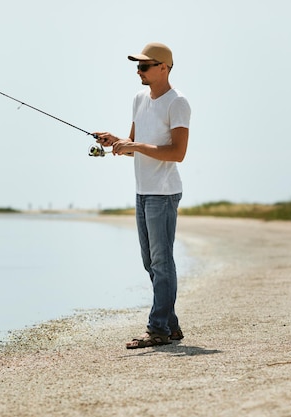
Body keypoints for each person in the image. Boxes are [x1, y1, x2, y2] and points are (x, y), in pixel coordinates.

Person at [93, 42, 191, 349]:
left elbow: (177, 153)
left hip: (163, 194)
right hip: (142, 192)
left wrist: (134, 146)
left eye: (144, 66)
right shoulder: (138, 99)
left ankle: (157, 329)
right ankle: (171, 326)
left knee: (162, 263)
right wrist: (116, 142)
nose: (139, 71)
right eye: (137, 66)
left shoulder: (178, 103)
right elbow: (135, 143)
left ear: (163, 68)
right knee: (151, 263)